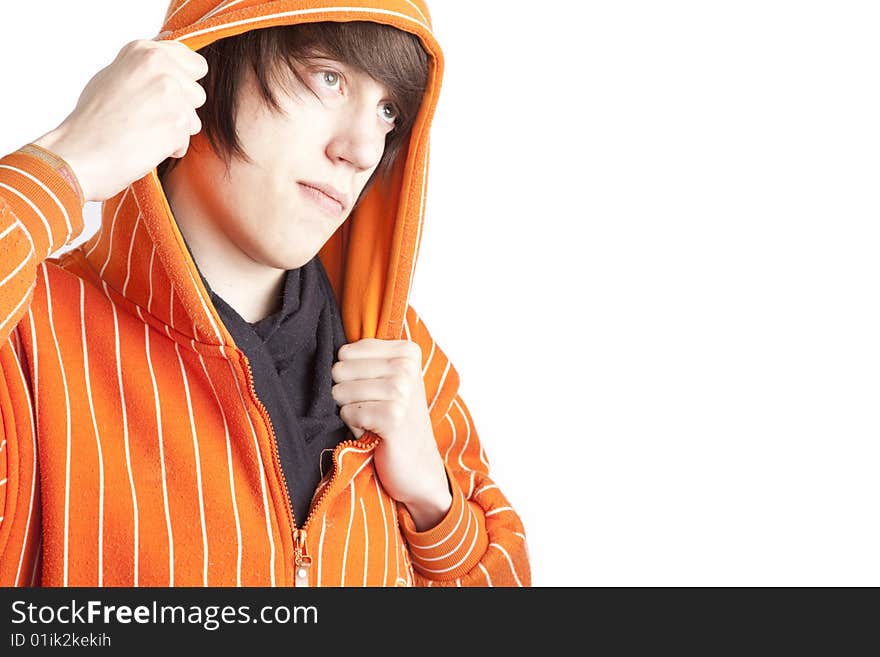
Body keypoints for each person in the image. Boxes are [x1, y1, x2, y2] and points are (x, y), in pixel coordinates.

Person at [0, 0, 529, 587]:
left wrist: (435, 505)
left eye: (387, 113)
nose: (359, 150)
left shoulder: (402, 357)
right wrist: (66, 163)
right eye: (329, 77)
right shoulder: (28, 334)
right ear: (204, 68)